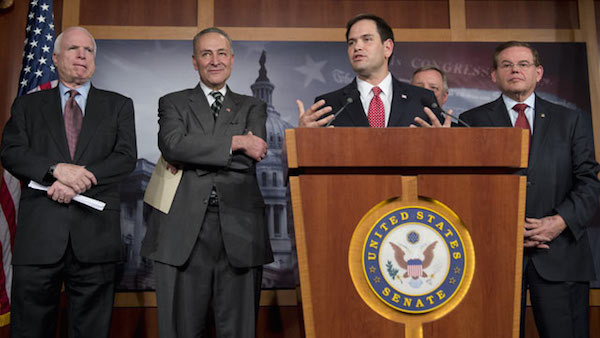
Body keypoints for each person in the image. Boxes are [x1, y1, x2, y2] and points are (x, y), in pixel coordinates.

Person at [417, 41, 600, 338]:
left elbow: (589, 182)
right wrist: (442, 147)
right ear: (493, 75)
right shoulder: (471, 123)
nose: (515, 69)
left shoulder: (570, 120)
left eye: (523, 64)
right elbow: (464, 188)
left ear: (538, 72)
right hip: (495, 257)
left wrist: (559, 221)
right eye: (506, 65)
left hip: (561, 254)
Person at [0, 26, 137, 337]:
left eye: (89, 51)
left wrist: (76, 181)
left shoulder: (118, 105)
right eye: (74, 48)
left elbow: (125, 157)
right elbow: (11, 153)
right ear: (55, 57)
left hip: (96, 239)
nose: (82, 55)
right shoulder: (28, 105)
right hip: (39, 240)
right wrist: (55, 170)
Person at [141, 27, 273, 337]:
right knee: (182, 329)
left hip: (240, 230)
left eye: (221, 53)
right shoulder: (172, 103)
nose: (215, 61)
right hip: (183, 230)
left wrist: (194, 152)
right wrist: (236, 141)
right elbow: (172, 145)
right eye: (206, 54)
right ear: (194, 61)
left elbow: (252, 155)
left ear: (232, 59)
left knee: (239, 330)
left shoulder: (253, 106)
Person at [297, 14, 445, 127]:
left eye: (367, 39)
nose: (357, 47)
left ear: (387, 48)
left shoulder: (422, 100)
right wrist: (303, 137)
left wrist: (444, 142)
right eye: (351, 42)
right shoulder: (329, 105)